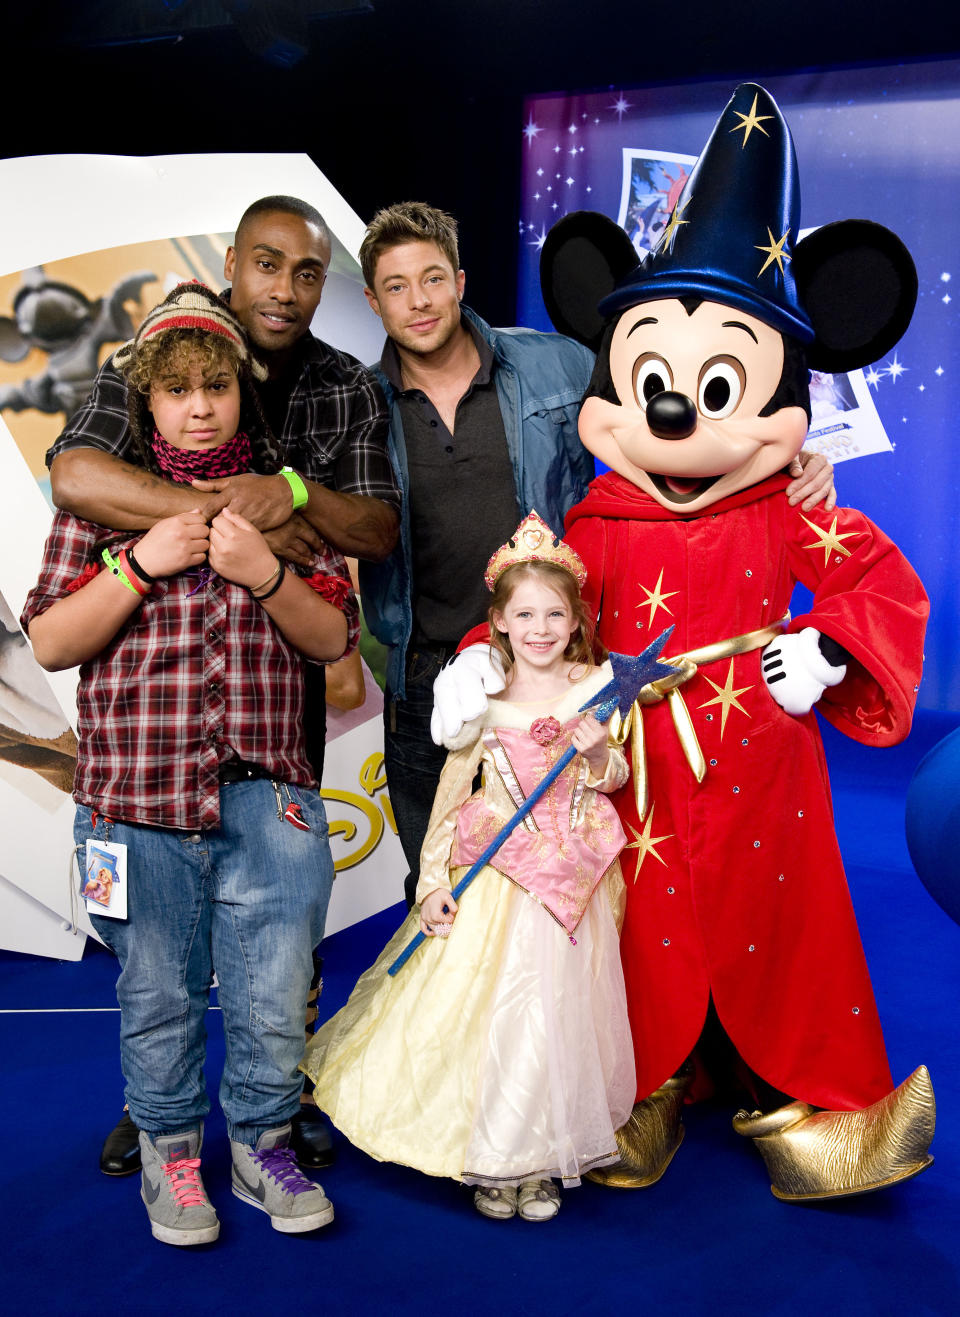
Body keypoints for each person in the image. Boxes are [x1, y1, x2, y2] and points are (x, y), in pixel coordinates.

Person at [46, 193, 400, 1177]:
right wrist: (214, 521)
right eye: (266, 264)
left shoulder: (340, 386)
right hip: (146, 747)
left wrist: (286, 504)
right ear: (232, 264)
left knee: (276, 937)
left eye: (306, 271)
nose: (284, 288)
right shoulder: (160, 355)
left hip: (270, 718)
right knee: (155, 960)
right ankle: (160, 1115)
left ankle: (274, 1104)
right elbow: (76, 475)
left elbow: (369, 535)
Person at [356, 201, 836, 910]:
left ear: (459, 281)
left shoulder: (558, 363)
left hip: (559, 670)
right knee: (443, 892)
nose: (419, 301)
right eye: (396, 286)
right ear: (373, 300)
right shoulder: (360, 400)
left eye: (432, 278)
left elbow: (665, 439)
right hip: (438, 673)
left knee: (563, 895)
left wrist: (791, 463)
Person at [302, 512, 635, 1221]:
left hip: (573, 882)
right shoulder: (480, 699)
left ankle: (540, 1158)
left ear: (575, 621)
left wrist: (598, 751)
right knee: (498, 1021)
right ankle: (494, 1158)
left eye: (555, 613)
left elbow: (616, 776)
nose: (541, 627)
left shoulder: (600, 685)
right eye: (525, 614)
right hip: (498, 881)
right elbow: (451, 801)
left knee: (555, 1026)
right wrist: (432, 885)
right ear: (499, 623)